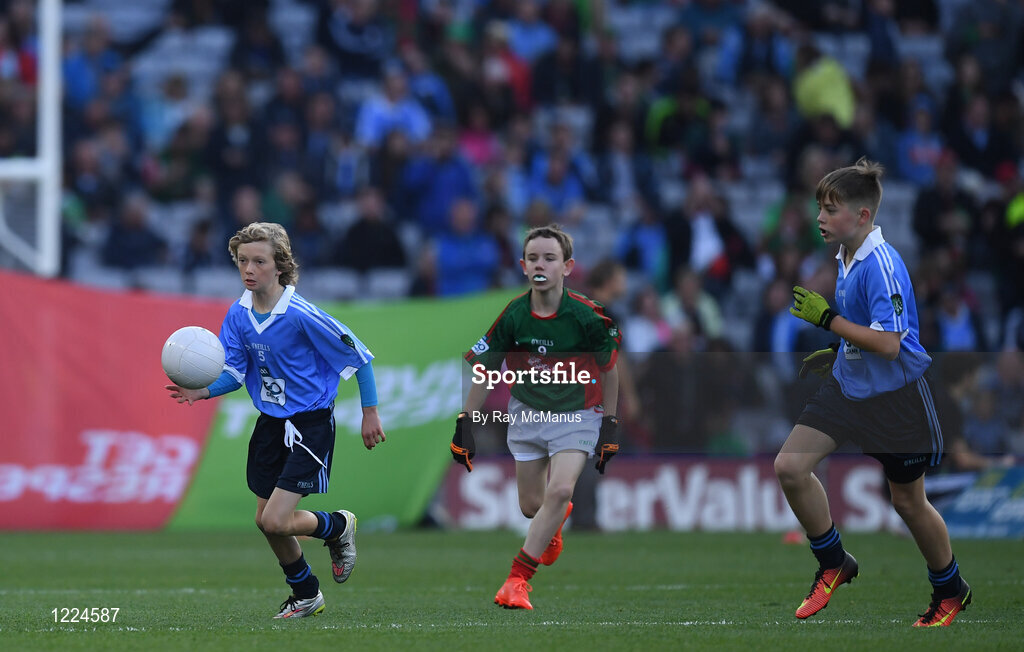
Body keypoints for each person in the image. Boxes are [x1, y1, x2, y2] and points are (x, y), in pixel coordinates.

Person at [777, 158, 971, 627]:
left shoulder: (882, 265)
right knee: (790, 467)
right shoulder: (845, 254)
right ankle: (834, 562)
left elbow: (889, 343)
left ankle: (950, 589)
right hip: (848, 386)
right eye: (820, 207)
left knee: (907, 502)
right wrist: (839, 346)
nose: (820, 217)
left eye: (831, 208)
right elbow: (865, 333)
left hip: (897, 400)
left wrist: (829, 321)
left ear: (863, 216)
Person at [165, 222, 386, 619]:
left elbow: (360, 357)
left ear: (280, 266)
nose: (249, 269)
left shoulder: (302, 315)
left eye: (259, 261)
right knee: (265, 522)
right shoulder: (238, 313)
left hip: (310, 425)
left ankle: (337, 526)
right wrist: (203, 390)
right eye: (242, 261)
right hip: (270, 425)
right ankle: (306, 594)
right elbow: (233, 371)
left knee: (277, 519)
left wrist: (370, 412)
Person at [451, 224, 622, 610]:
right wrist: (466, 422)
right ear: (523, 266)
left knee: (560, 490)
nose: (540, 264)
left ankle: (517, 579)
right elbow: (486, 369)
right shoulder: (513, 315)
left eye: (549, 257)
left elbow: (610, 368)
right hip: (527, 412)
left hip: (578, 414)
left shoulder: (587, 316)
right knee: (533, 507)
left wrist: (610, 422)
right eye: (533, 258)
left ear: (568, 267)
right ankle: (554, 521)